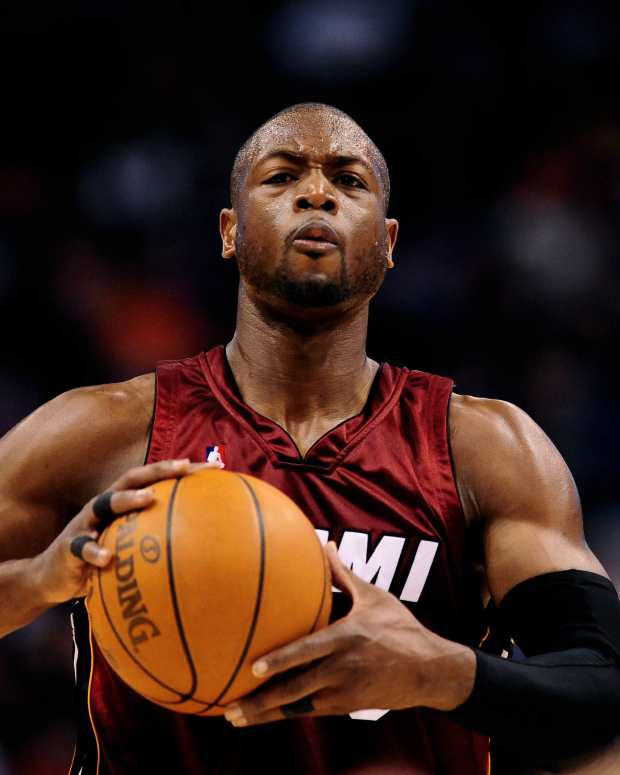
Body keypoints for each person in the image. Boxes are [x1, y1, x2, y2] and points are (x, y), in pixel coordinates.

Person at [1, 102, 619, 775]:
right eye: (282, 175)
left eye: (349, 180)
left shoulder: (482, 448)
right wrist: (39, 580)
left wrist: (440, 671)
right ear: (229, 231)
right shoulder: (103, 432)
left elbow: (600, 689)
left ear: (388, 243)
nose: (317, 191)